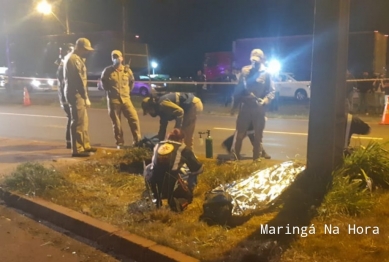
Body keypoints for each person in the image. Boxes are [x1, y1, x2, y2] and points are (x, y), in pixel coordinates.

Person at [231, 49, 275, 161]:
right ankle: (236, 157)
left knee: (258, 135)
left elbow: (272, 91)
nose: (254, 63)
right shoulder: (245, 71)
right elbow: (238, 89)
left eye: (257, 61)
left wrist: (264, 101)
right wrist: (234, 106)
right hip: (245, 107)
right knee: (240, 133)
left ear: (262, 60)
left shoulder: (266, 73)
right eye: (253, 60)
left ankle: (257, 158)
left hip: (258, 108)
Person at [144, 128, 204, 211]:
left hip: (154, 182)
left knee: (151, 169)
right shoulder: (182, 148)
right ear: (181, 139)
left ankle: (157, 200)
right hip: (171, 184)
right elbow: (198, 169)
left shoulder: (158, 145)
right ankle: (178, 203)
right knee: (189, 192)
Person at [101, 50, 141, 149]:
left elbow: (132, 83)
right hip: (114, 100)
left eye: (118, 56)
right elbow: (104, 85)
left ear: (122, 58)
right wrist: (111, 93)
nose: (116, 58)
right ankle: (120, 143)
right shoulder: (107, 71)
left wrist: (126, 93)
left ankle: (137, 141)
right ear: (112, 59)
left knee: (134, 119)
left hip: (126, 99)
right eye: (114, 57)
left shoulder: (127, 71)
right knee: (117, 123)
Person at [63, 38, 96, 157]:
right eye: (85, 49)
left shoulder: (76, 58)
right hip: (75, 93)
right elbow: (79, 79)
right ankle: (77, 149)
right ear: (79, 47)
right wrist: (85, 96)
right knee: (77, 122)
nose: (87, 52)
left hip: (77, 93)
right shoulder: (73, 59)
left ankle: (85, 145)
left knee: (83, 121)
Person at [56, 43, 74, 149]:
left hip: (66, 97)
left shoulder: (63, 66)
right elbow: (65, 84)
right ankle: (70, 142)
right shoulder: (63, 68)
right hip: (66, 98)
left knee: (71, 118)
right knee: (71, 118)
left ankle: (70, 142)